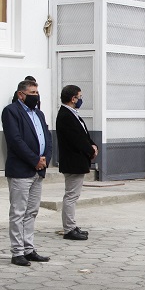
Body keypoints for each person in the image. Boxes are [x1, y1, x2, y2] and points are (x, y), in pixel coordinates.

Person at [2, 80, 52, 266]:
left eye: (37, 92)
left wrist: (45, 159)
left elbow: (47, 138)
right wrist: (34, 159)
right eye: (32, 93)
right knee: (18, 212)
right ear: (21, 95)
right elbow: (15, 140)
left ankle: (29, 249)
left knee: (32, 211)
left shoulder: (38, 113)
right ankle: (17, 252)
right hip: (21, 170)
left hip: (38, 170)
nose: (36, 96)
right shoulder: (11, 111)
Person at [55, 85, 97, 241]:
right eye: (79, 97)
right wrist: (90, 150)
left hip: (77, 160)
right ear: (73, 99)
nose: (81, 100)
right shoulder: (65, 116)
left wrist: (93, 146)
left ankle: (72, 225)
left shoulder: (73, 114)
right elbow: (77, 139)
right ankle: (69, 228)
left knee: (73, 195)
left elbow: (84, 135)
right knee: (71, 196)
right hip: (72, 161)